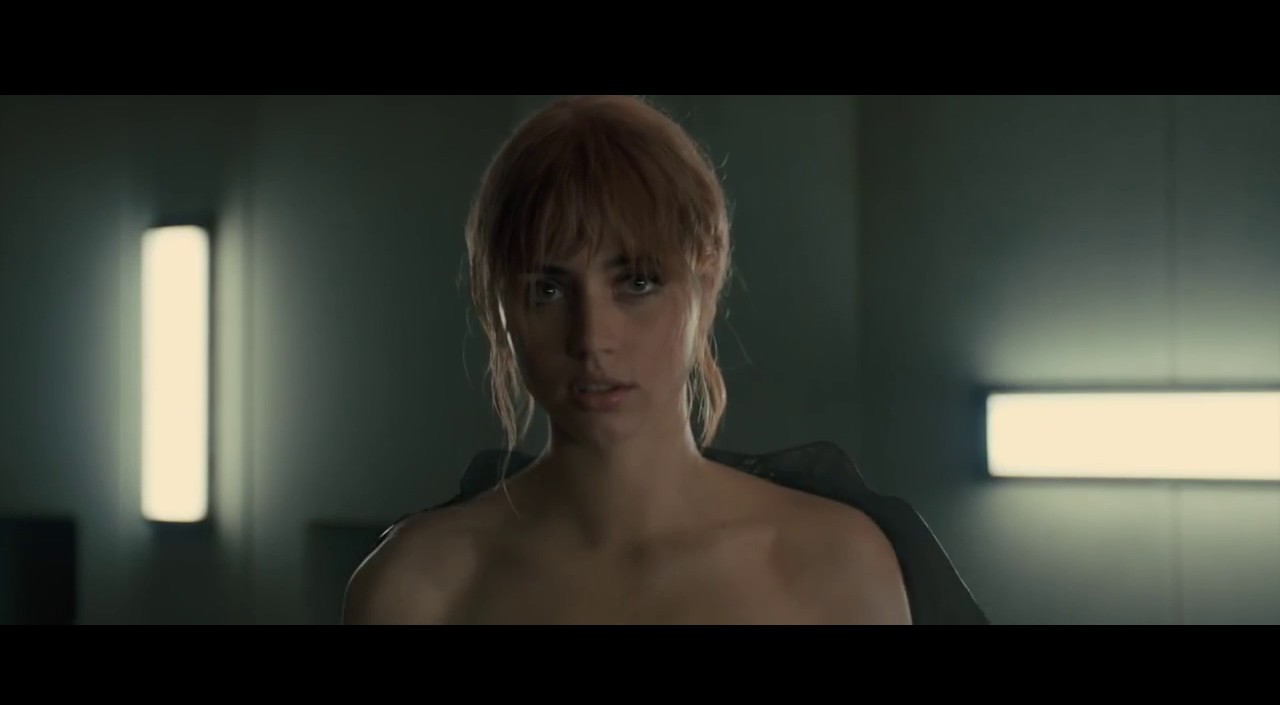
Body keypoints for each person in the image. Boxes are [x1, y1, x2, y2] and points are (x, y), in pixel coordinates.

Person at [343, 95, 986, 625]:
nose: (593, 338)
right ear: (498, 306)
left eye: (638, 282)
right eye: (547, 290)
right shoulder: (417, 590)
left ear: (705, 280)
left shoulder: (833, 566)